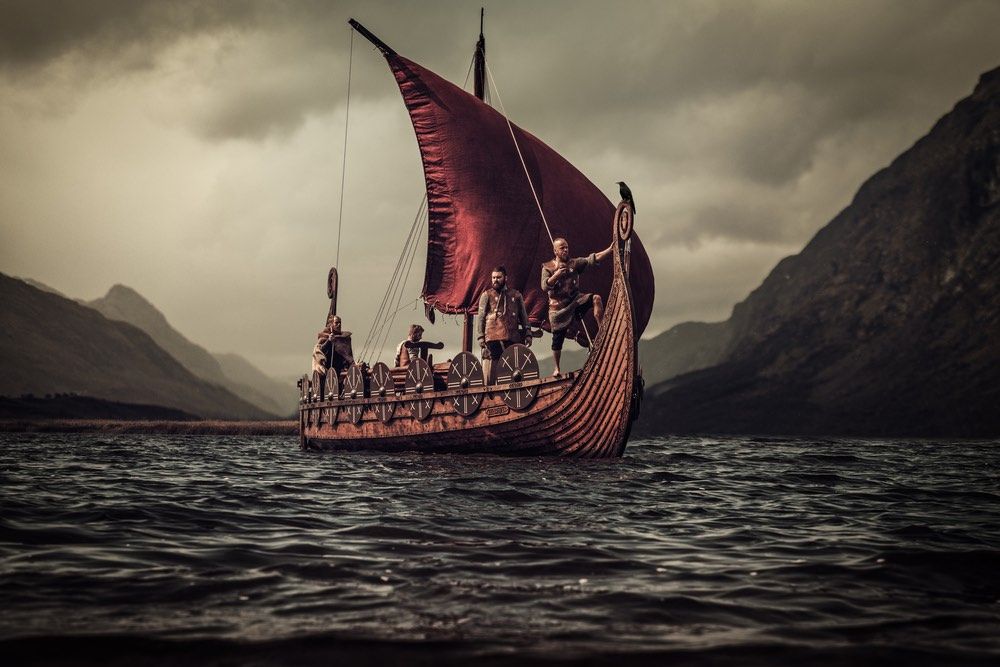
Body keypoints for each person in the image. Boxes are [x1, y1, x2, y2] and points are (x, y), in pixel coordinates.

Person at [541, 237, 614, 376]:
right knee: (557, 341)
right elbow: (544, 286)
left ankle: (603, 333)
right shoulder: (547, 267)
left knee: (596, 298)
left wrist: (610, 250)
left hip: (576, 300)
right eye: (562, 248)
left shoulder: (574, 263)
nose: (565, 250)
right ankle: (556, 368)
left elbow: (593, 258)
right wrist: (556, 275)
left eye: (567, 247)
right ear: (555, 250)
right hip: (558, 310)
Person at [477, 266, 530, 384]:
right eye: (493, 278)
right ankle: (489, 397)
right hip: (491, 340)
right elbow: (480, 317)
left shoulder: (516, 296)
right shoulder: (486, 295)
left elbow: (524, 317)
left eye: (498, 277)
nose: (495, 280)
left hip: (512, 339)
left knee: (511, 373)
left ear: (505, 278)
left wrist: (528, 333)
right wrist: (480, 336)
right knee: (490, 375)